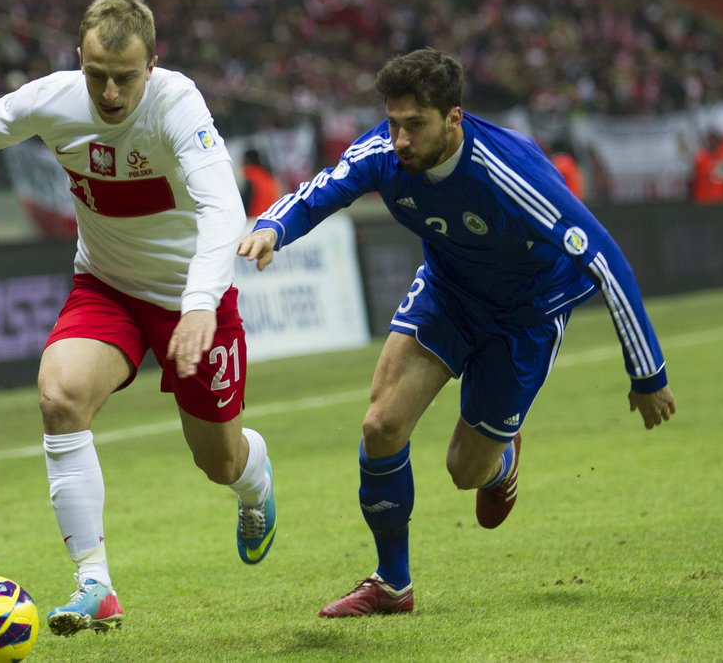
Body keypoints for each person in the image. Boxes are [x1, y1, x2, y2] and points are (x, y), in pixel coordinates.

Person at [0, 0, 276, 637]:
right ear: (79, 60)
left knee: (219, 461)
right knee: (60, 396)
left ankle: (255, 484)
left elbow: (223, 210)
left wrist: (201, 303)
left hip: (190, 298)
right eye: (97, 75)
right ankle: (96, 584)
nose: (111, 93)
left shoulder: (178, 106)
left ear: (153, 64)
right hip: (107, 287)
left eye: (125, 77)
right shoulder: (56, 98)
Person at [238, 48, 675, 618]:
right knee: (381, 424)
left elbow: (607, 260)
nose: (398, 139)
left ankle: (501, 464)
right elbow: (326, 187)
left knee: (464, 471)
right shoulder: (386, 152)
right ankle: (393, 585)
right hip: (448, 292)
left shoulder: (511, 173)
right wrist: (274, 225)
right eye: (393, 122)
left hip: (525, 314)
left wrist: (648, 374)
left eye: (413, 125)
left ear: (453, 119)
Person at [690, 131, 723, 204]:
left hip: (721, 197)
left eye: (714, 141)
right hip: (703, 198)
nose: (712, 143)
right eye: (710, 141)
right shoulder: (700, 158)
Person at [240, 148, 283, 218]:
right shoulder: (269, 177)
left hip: (254, 220)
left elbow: (245, 203)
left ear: (247, 160)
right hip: (270, 218)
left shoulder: (251, 177)